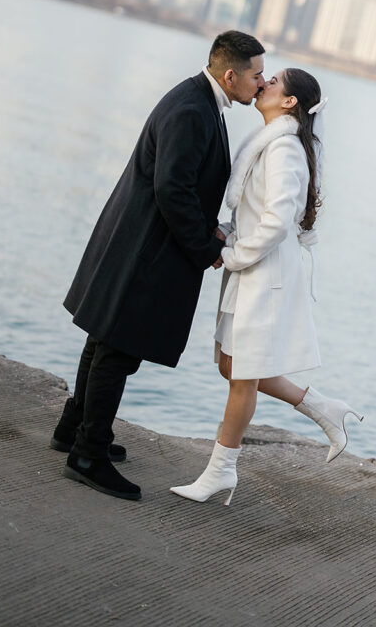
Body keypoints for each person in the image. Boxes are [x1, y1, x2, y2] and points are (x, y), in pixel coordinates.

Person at [52, 30, 266, 501]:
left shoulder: (199, 98)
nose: (261, 82)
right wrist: (205, 248)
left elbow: (182, 183)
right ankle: (87, 455)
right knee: (117, 350)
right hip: (146, 250)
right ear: (231, 75)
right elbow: (173, 189)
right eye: (256, 75)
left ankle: (75, 429)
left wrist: (205, 231)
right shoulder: (193, 110)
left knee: (104, 339)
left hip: (135, 238)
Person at [170, 68, 363, 506]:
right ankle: (322, 408)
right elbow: (258, 212)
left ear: (290, 102)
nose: (264, 83)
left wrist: (235, 255)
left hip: (264, 272)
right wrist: (224, 233)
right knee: (231, 365)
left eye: (273, 81)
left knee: (241, 376)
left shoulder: (285, 151)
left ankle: (221, 471)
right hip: (252, 267)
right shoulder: (274, 143)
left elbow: (276, 222)